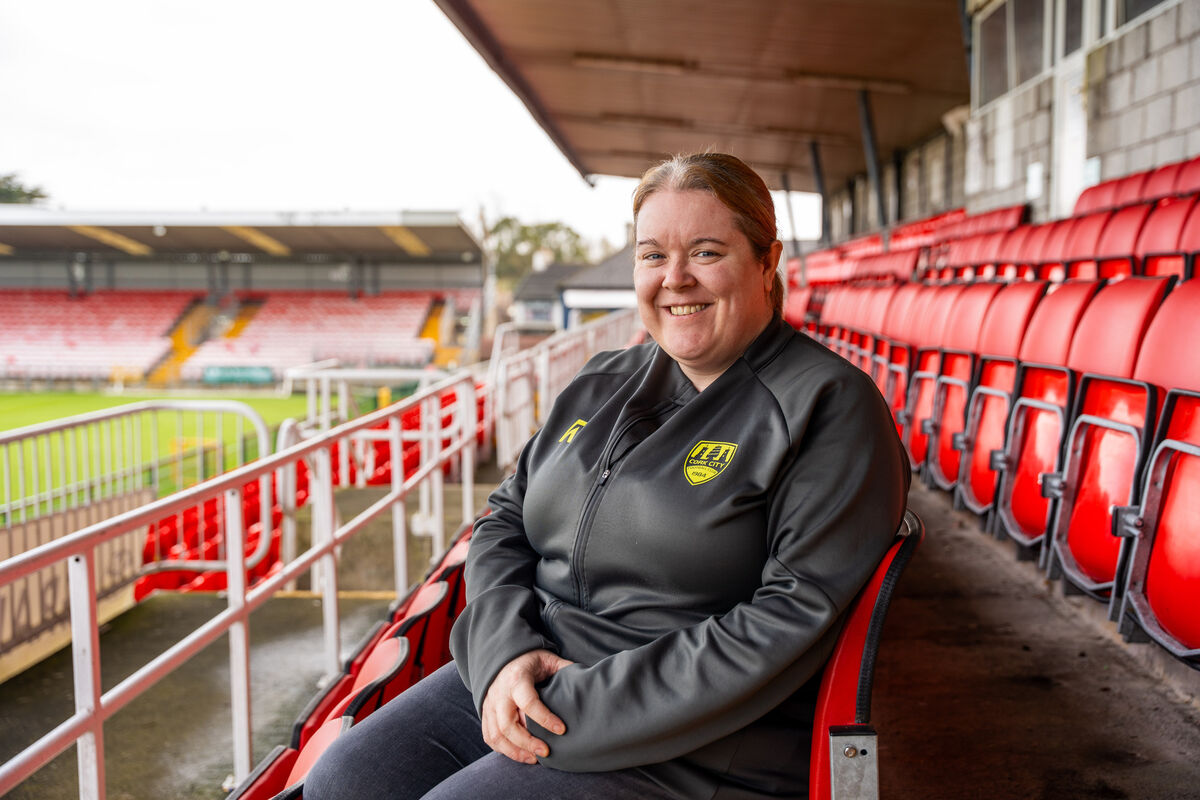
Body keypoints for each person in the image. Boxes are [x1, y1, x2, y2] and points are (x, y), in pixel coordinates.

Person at [305, 153, 910, 799]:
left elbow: (792, 616)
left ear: (766, 261)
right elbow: (506, 518)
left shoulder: (828, 406)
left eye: (705, 252)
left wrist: (572, 708)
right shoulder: (603, 379)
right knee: (348, 777)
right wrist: (503, 653)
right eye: (652, 256)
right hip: (534, 669)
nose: (674, 279)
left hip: (696, 736)